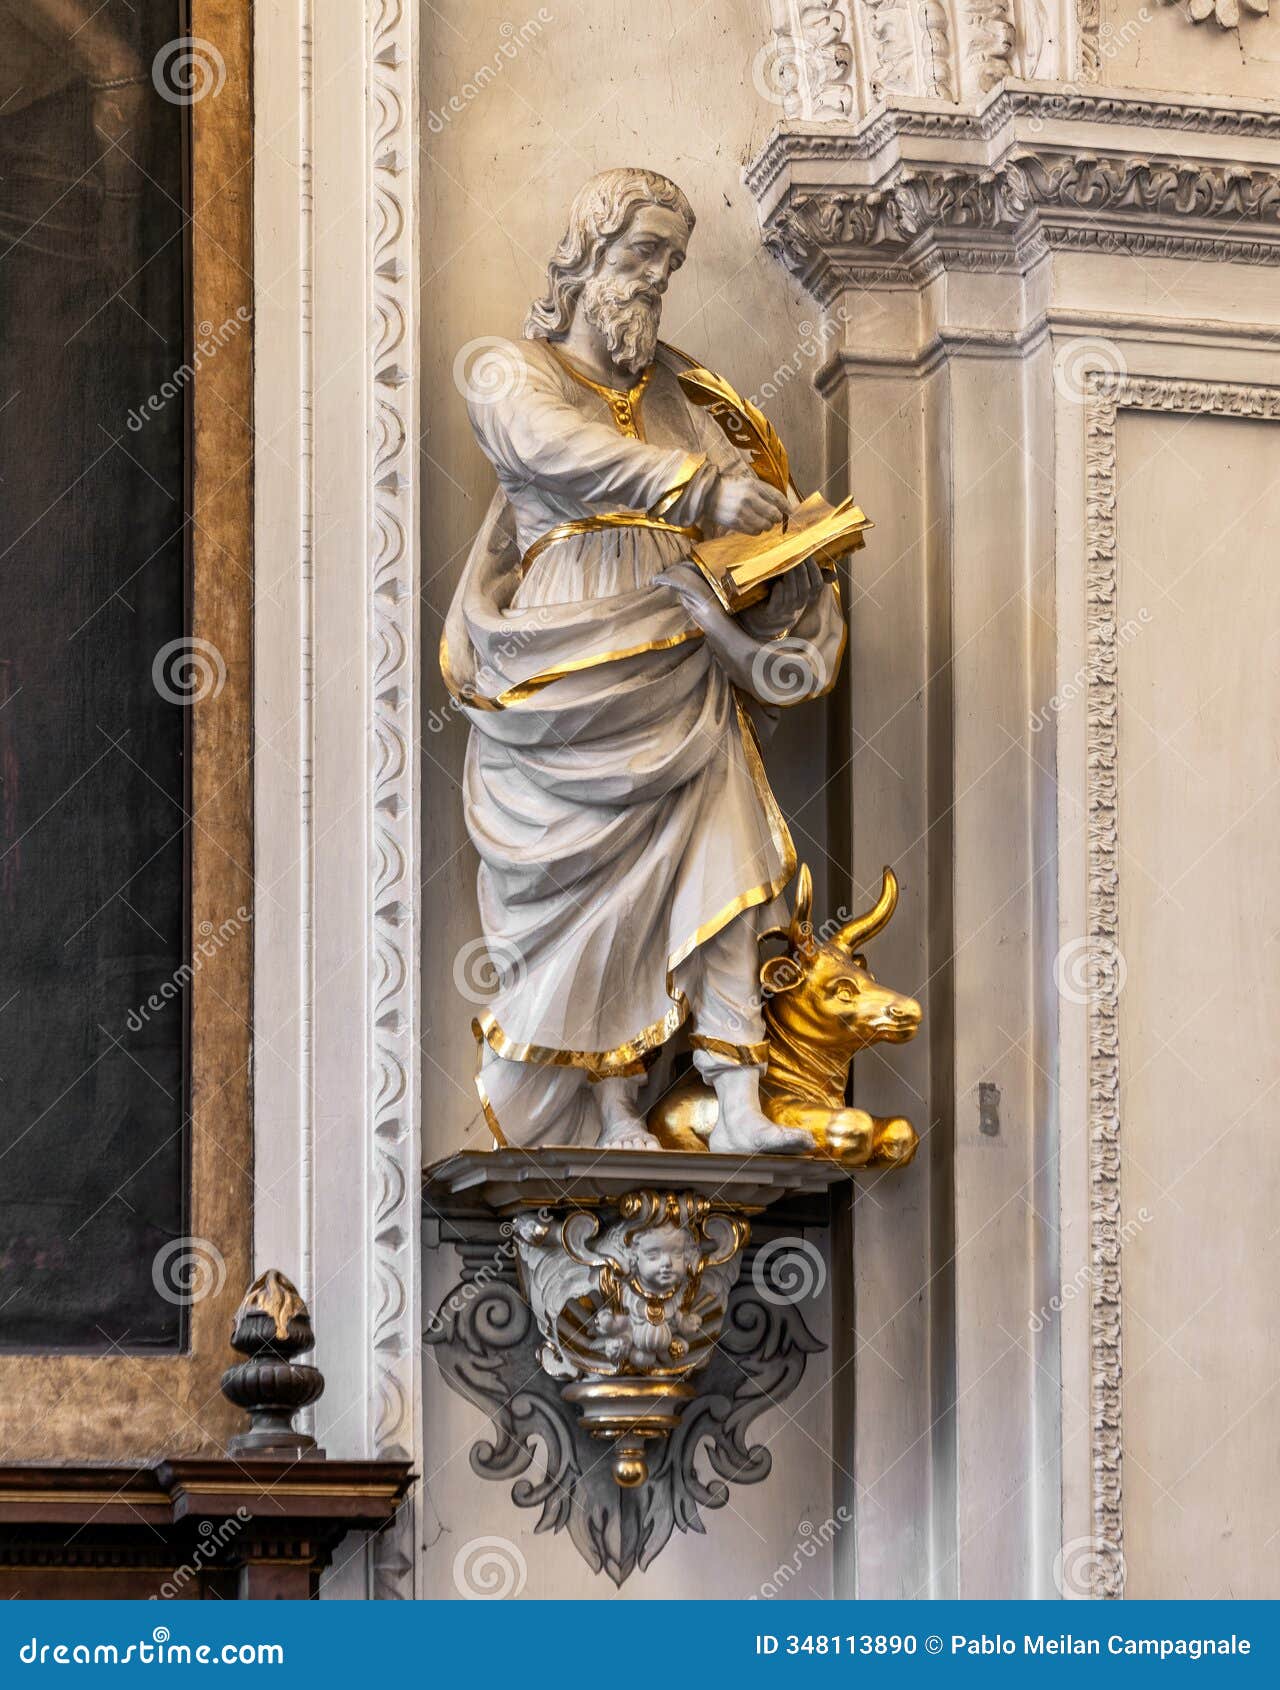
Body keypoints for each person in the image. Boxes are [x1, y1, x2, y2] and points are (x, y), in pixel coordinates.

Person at [442, 167, 845, 1153]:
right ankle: (610, 1102)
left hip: (682, 644)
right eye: (639, 256)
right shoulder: (507, 368)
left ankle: (738, 1093)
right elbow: (549, 448)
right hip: (568, 650)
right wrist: (698, 490)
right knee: (592, 891)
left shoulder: (686, 396)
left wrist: (788, 548)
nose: (655, 280)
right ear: (582, 257)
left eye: (668, 263)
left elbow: (742, 501)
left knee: (727, 858)